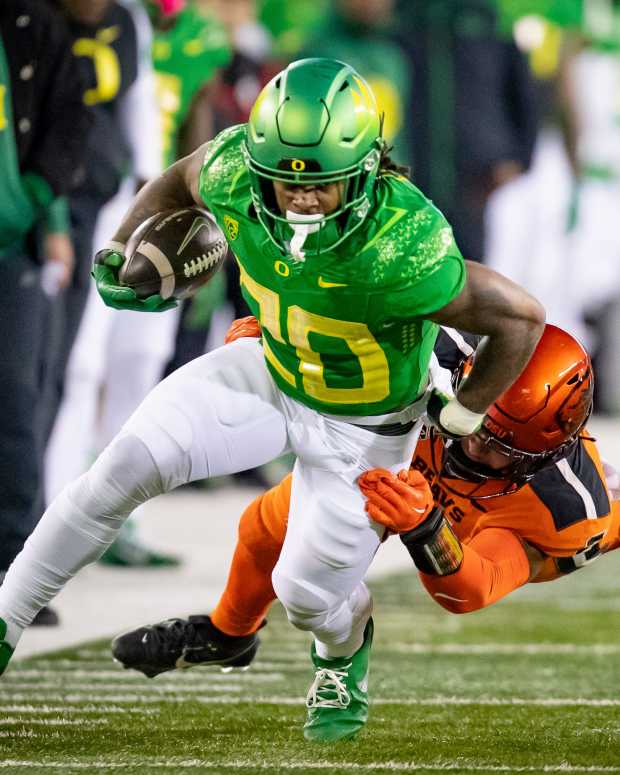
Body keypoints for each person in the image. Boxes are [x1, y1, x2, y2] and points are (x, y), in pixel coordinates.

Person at [0, 58, 545, 744]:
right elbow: (181, 177)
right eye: (283, 180)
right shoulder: (233, 169)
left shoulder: (403, 244)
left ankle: (344, 656)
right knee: (119, 468)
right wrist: (121, 244)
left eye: (318, 184)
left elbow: (520, 318)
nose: (299, 200)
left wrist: (463, 413)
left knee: (307, 596)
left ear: (368, 168)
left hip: (367, 424)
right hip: (270, 372)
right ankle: (6, 615)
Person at [112, 323, 618, 682]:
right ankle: (227, 636)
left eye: (499, 448)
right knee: (269, 523)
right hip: (412, 454)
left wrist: (426, 528)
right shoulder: (435, 349)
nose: (472, 446)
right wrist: (280, 348)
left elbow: (468, 593)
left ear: (545, 453)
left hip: (490, 519)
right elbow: (340, 339)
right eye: (476, 420)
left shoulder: (566, 503)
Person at [0, 0, 91, 618]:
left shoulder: (32, 25)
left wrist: (38, 203)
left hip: (12, 243)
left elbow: (69, 122)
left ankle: (16, 573)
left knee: (15, 399)